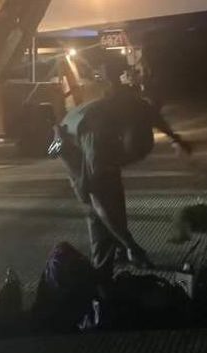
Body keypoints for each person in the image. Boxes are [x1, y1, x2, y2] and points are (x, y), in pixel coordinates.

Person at [50, 61, 191, 283]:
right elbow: (100, 203)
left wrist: (176, 139)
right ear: (119, 139)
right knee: (98, 210)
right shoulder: (98, 141)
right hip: (66, 146)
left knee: (113, 194)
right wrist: (132, 245)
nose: (127, 161)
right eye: (127, 155)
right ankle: (103, 272)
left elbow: (154, 117)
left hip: (85, 133)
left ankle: (119, 247)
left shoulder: (136, 109)